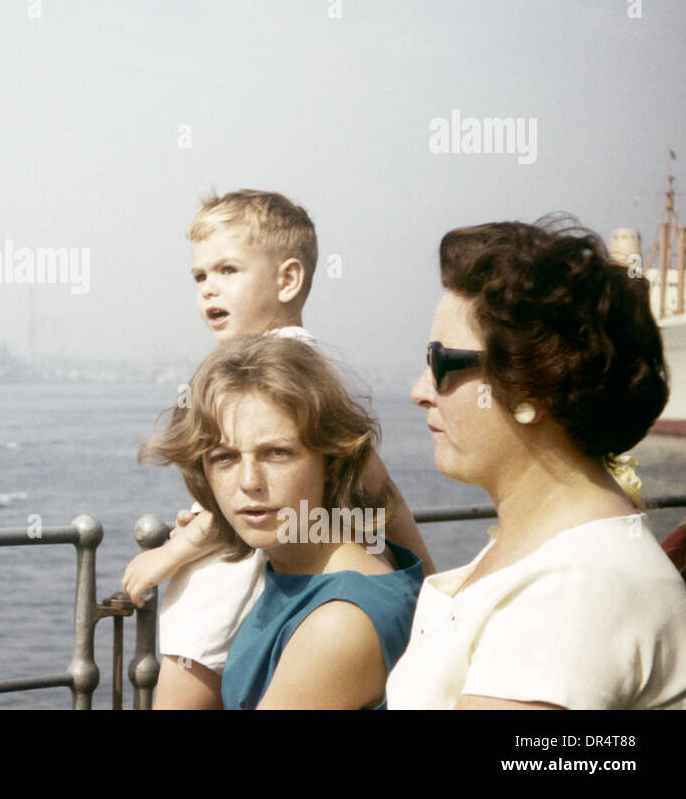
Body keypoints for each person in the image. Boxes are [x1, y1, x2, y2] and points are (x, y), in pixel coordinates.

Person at [121, 189, 432, 708]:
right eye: (200, 277)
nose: (208, 289)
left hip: (243, 581)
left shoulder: (284, 365)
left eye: (227, 271)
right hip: (276, 567)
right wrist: (427, 579)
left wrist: (175, 550)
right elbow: (381, 487)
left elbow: (367, 476)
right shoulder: (264, 365)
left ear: (288, 279)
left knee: (184, 680)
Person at [387, 219, 686, 709]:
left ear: (529, 387)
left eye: (441, 363)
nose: (420, 392)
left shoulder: (576, 589)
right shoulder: (543, 552)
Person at [141, 333, 423, 709]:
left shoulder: (338, 623)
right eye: (225, 458)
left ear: (331, 461)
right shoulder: (305, 569)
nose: (249, 482)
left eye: (277, 453)